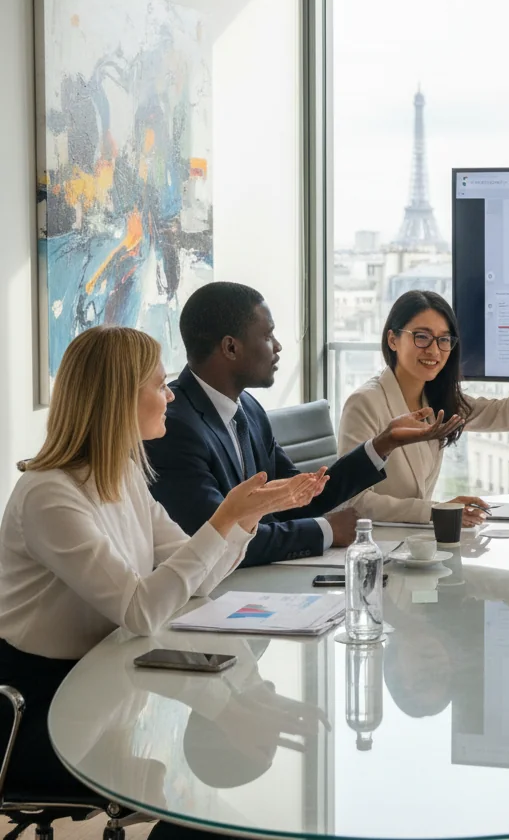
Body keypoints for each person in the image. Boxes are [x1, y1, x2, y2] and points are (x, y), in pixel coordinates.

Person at [0, 325, 326, 840]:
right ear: (118, 399)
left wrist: (246, 519)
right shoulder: (49, 496)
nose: (170, 395)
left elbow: (195, 578)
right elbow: (139, 610)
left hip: (113, 687)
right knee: (211, 812)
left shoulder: (123, 474)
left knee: (225, 791)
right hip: (46, 714)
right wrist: (223, 520)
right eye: (159, 385)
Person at [146, 282, 461, 566]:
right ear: (231, 347)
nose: (279, 346)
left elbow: (303, 494)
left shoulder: (250, 411)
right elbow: (215, 540)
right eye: (268, 336)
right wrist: (324, 530)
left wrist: (384, 443)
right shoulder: (174, 427)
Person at [338, 290, 509, 524]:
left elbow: (508, 415)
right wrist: (436, 511)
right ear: (393, 340)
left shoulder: (437, 400)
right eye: (422, 337)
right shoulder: (364, 404)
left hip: (415, 544)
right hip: (376, 544)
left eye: (444, 340)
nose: (434, 350)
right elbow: (353, 502)